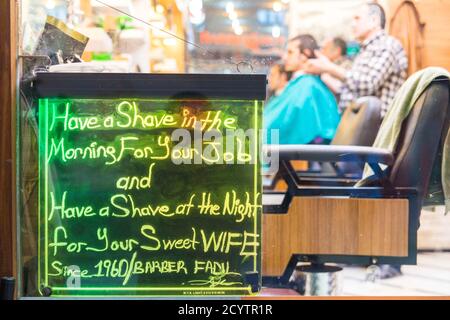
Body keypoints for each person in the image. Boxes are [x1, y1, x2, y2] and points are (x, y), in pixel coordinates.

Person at [304, 2, 408, 117]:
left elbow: (368, 84)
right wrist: (324, 70)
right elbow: (349, 89)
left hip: (375, 126)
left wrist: (329, 68)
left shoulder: (387, 45)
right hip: (358, 120)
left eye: (357, 18)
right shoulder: (367, 49)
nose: (353, 24)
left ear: (373, 20)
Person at [264, 34, 340, 146]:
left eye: (290, 52)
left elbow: (284, 124)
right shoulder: (302, 84)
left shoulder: (308, 85)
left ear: (306, 54)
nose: (285, 57)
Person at [320, 37, 352, 102]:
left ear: (337, 51)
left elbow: (339, 89)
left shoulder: (347, 66)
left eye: (324, 48)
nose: (321, 52)